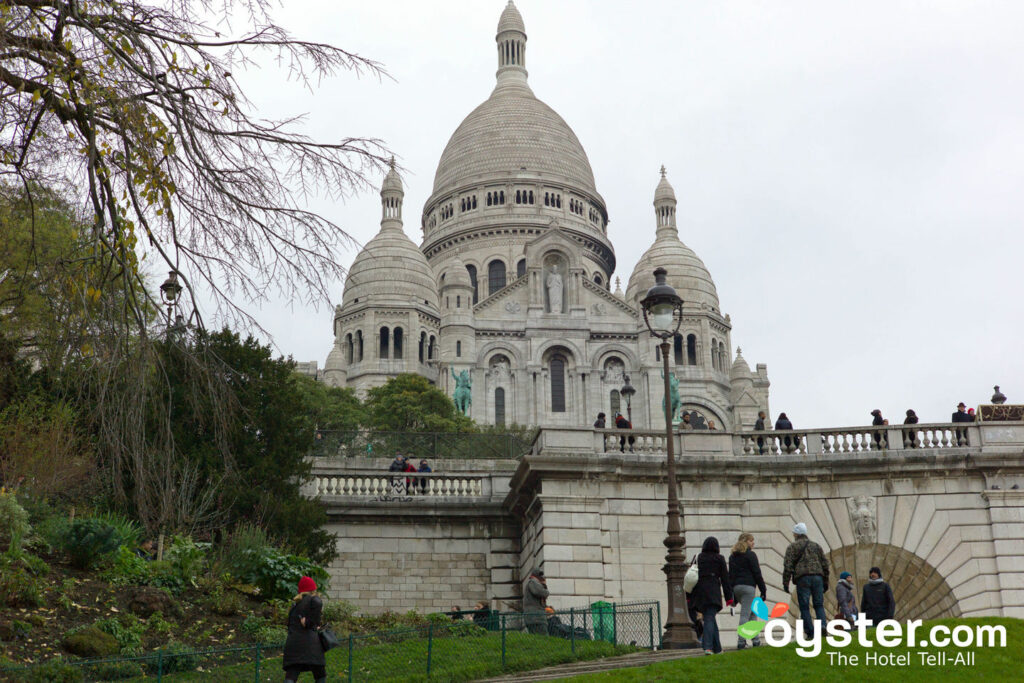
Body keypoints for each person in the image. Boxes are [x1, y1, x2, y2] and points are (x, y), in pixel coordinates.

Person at [782, 522, 829, 638]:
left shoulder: (792, 547)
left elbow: (788, 566)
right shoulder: (816, 546)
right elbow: (825, 564)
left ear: (796, 534)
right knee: (818, 604)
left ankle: (810, 632)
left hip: (802, 578)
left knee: (804, 606)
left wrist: (786, 583)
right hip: (818, 577)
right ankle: (822, 625)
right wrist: (826, 581)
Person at [690, 536, 733, 655]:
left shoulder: (698, 557)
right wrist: (729, 597)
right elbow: (725, 579)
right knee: (709, 618)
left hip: (699, 592)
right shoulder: (719, 558)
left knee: (710, 619)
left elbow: (690, 576)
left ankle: (718, 649)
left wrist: (689, 595)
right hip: (713, 591)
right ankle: (708, 647)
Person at [283, 576, 325, 683]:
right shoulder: (313, 599)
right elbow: (318, 604)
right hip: (310, 645)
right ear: (312, 589)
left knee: (292, 673)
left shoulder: (295, 605)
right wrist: (310, 623)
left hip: (293, 644)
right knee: (320, 673)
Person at [728, 532, 766, 649]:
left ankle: (755, 640)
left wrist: (731, 594)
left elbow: (731, 575)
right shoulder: (751, 555)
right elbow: (757, 573)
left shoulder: (732, 556)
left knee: (752, 613)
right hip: (748, 588)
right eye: (751, 540)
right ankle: (741, 640)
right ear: (745, 541)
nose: (753, 542)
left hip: (737, 588)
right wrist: (763, 589)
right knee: (745, 614)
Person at [523, 567, 549, 635]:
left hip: (534, 617)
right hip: (536, 617)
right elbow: (538, 592)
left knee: (536, 638)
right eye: (540, 575)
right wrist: (545, 590)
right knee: (543, 637)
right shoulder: (533, 582)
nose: (542, 577)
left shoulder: (533, 583)